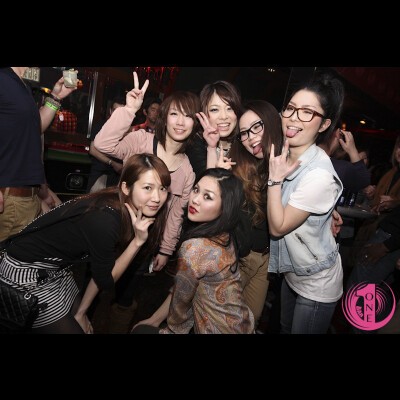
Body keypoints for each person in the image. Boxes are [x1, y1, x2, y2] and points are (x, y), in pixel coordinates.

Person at [0, 154, 170, 334]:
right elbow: (106, 279)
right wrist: (137, 242)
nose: (157, 198)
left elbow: (101, 270)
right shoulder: (106, 219)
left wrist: (82, 313)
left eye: (163, 188)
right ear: (126, 188)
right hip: (25, 271)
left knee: (78, 316)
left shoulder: (121, 206)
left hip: (56, 269)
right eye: (147, 188)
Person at [94, 72, 199, 271]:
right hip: (115, 226)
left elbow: (175, 215)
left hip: (148, 241)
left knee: (129, 285)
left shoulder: (187, 172)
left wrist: (166, 250)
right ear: (164, 118)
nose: (180, 122)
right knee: (98, 278)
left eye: (188, 116)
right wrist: (129, 110)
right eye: (174, 114)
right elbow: (102, 144)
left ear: (195, 123)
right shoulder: (140, 140)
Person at [267, 72, 345, 334]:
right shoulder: (286, 152)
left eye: (307, 112)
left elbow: (278, 227)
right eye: (290, 108)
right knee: (285, 327)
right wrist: (326, 212)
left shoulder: (319, 174)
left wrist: (274, 181)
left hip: (316, 281)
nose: (293, 117)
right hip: (292, 271)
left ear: (324, 125)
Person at [133, 168, 255, 334]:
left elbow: (180, 307)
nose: (195, 200)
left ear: (225, 207)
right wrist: (156, 320)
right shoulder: (226, 235)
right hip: (243, 325)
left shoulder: (195, 248)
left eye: (207, 197)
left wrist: (171, 330)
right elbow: (186, 287)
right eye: (196, 190)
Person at [0, 67, 76, 242]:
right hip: (9, 197)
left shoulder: (22, 85)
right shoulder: (2, 78)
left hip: (27, 197)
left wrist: (55, 97)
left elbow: (35, 128)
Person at [227, 100, 283, 327]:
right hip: (242, 258)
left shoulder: (286, 163)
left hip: (267, 260)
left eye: (256, 127)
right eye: (244, 133)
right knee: (222, 320)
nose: (251, 138)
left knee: (251, 320)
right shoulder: (243, 166)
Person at [186, 80, 242, 177]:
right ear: (203, 114)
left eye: (230, 108)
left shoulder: (244, 143)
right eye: (214, 109)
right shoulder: (194, 145)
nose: (224, 116)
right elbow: (205, 183)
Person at [86, 96, 126, 193]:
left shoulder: (127, 130)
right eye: (115, 111)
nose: (117, 114)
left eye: (121, 112)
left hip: (119, 178)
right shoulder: (101, 126)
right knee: (95, 201)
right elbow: (92, 150)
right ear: (111, 111)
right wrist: (113, 163)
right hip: (100, 174)